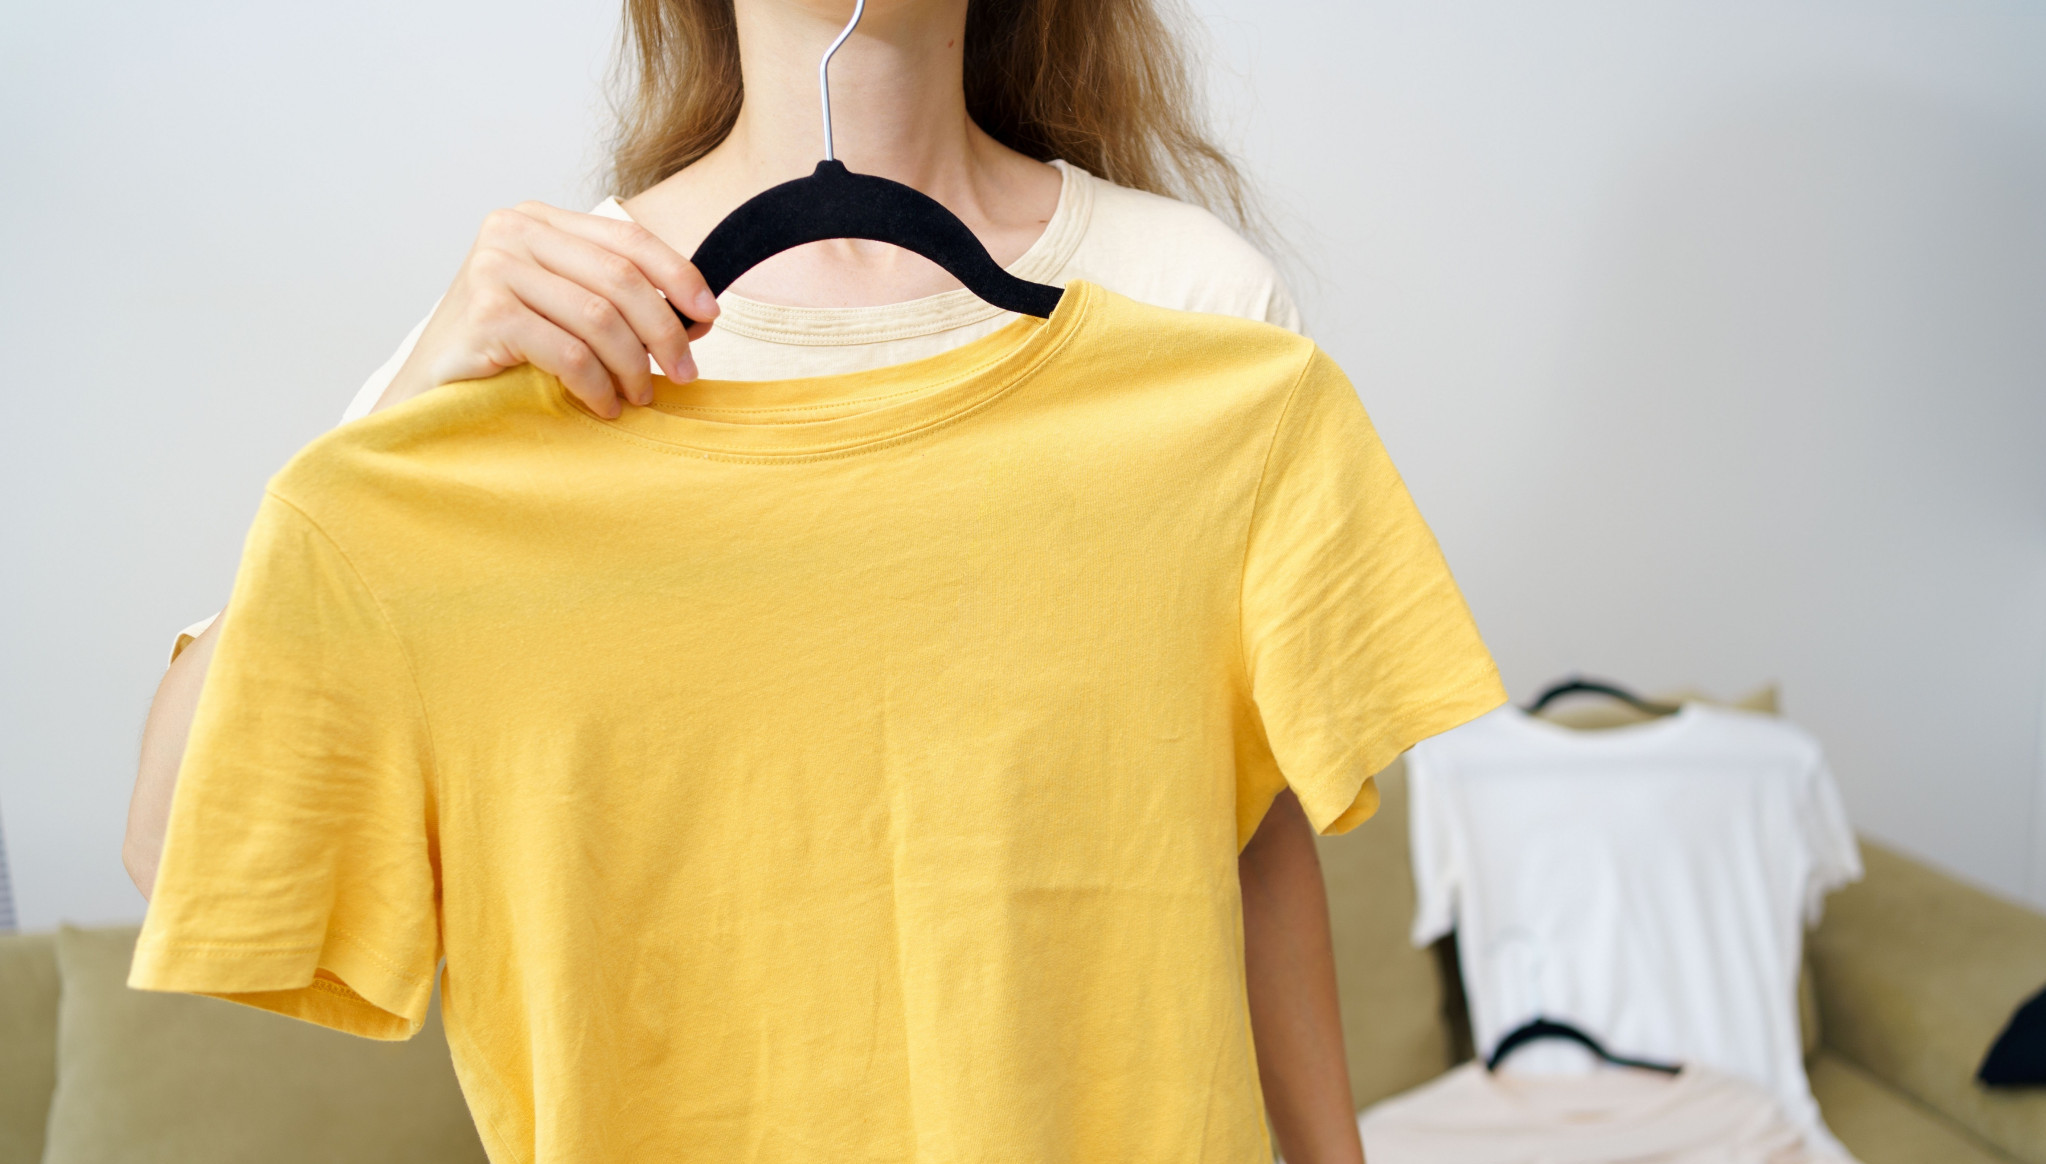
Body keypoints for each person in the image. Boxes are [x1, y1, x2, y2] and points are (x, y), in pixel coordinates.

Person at [126, 2, 1372, 1160]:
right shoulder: (536, 328)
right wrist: (408, 409)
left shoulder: (1201, 317)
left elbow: (1244, 830)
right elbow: (182, 842)